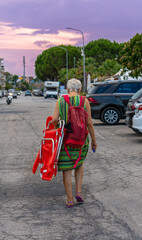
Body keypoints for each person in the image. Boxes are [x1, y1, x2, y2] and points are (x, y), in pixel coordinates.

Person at [52, 78, 97, 208]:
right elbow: (89, 123)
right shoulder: (84, 101)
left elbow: (55, 119)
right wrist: (94, 141)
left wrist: (56, 126)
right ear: (80, 90)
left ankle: (70, 200)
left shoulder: (61, 101)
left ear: (67, 89)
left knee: (67, 169)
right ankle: (78, 192)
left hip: (66, 140)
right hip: (82, 139)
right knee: (79, 163)